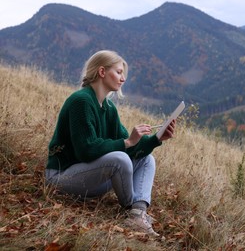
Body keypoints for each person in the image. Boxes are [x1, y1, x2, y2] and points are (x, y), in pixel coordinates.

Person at [45, 50, 175, 237]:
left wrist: (156, 139)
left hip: (90, 177)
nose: (123, 79)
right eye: (119, 72)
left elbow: (130, 147)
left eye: (123, 74)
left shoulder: (108, 107)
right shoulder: (81, 101)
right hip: (61, 178)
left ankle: (137, 213)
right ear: (102, 72)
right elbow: (86, 150)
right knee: (119, 158)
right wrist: (127, 142)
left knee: (147, 160)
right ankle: (135, 212)